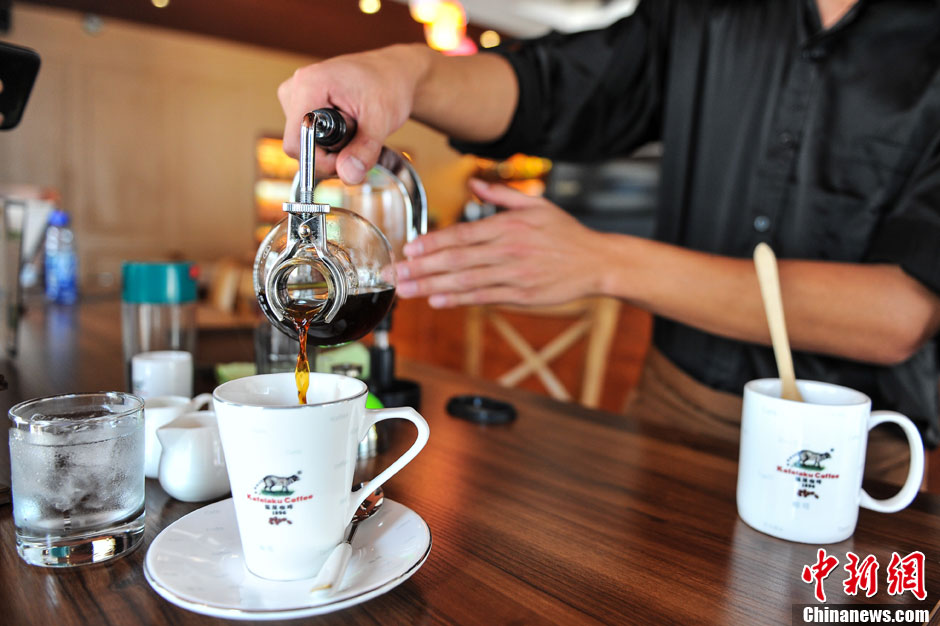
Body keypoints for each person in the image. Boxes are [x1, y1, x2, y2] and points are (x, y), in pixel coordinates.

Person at [278, 0, 940, 483]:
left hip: (856, 443)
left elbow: (901, 314)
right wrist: (407, 71)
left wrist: (603, 260)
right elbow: (551, 88)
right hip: (674, 408)